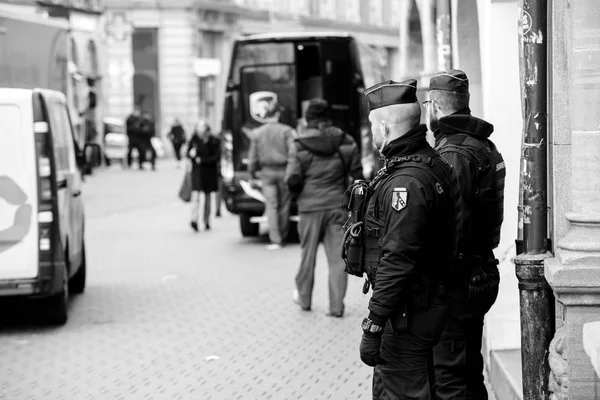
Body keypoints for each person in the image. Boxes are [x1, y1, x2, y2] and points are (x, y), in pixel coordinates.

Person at [355, 79, 461, 399]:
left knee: (404, 390)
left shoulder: (407, 183)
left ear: (385, 128)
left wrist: (374, 323)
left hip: (410, 312)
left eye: (373, 125)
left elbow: (398, 259)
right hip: (417, 305)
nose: (371, 132)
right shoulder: (426, 163)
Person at [426, 70, 505, 400]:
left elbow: (453, 225)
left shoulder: (454, 153)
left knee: (451, 378)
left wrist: (440, 283)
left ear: (434, 107)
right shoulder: (483, 145)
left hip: (461, 282)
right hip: (478, 272)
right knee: (469, 372)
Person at [285, 99, 362, 317]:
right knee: (338, 258)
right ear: (328, 117)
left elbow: (292, 178)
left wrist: (297, 194)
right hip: (337, 205)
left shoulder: (298, 144)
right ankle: (336, 307)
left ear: (308, 119)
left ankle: (304, 299)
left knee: (307, 256)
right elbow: (357, 174)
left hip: (309, 207)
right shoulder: (345, 140)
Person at [248, 101, 296, 250]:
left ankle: (276, 240)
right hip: (284, 171)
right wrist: (292, 171)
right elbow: (293, 153)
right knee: (284, 205)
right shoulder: (287, 131)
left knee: (272, 206)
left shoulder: (257, 133)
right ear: (278, 114)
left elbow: (252, 158)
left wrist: (251, 175)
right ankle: (283, 234)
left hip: (266, 173)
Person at [187, 120, 221, 232]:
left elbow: (216, 157)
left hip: (209, 172)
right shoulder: (194, 140)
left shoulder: (214, 141)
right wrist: (191, 154)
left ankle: (206, 220)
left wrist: (202, 160)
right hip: (197, 172)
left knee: (207, 197)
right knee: (195, 196)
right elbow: (188, 153)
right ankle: (194, 219)